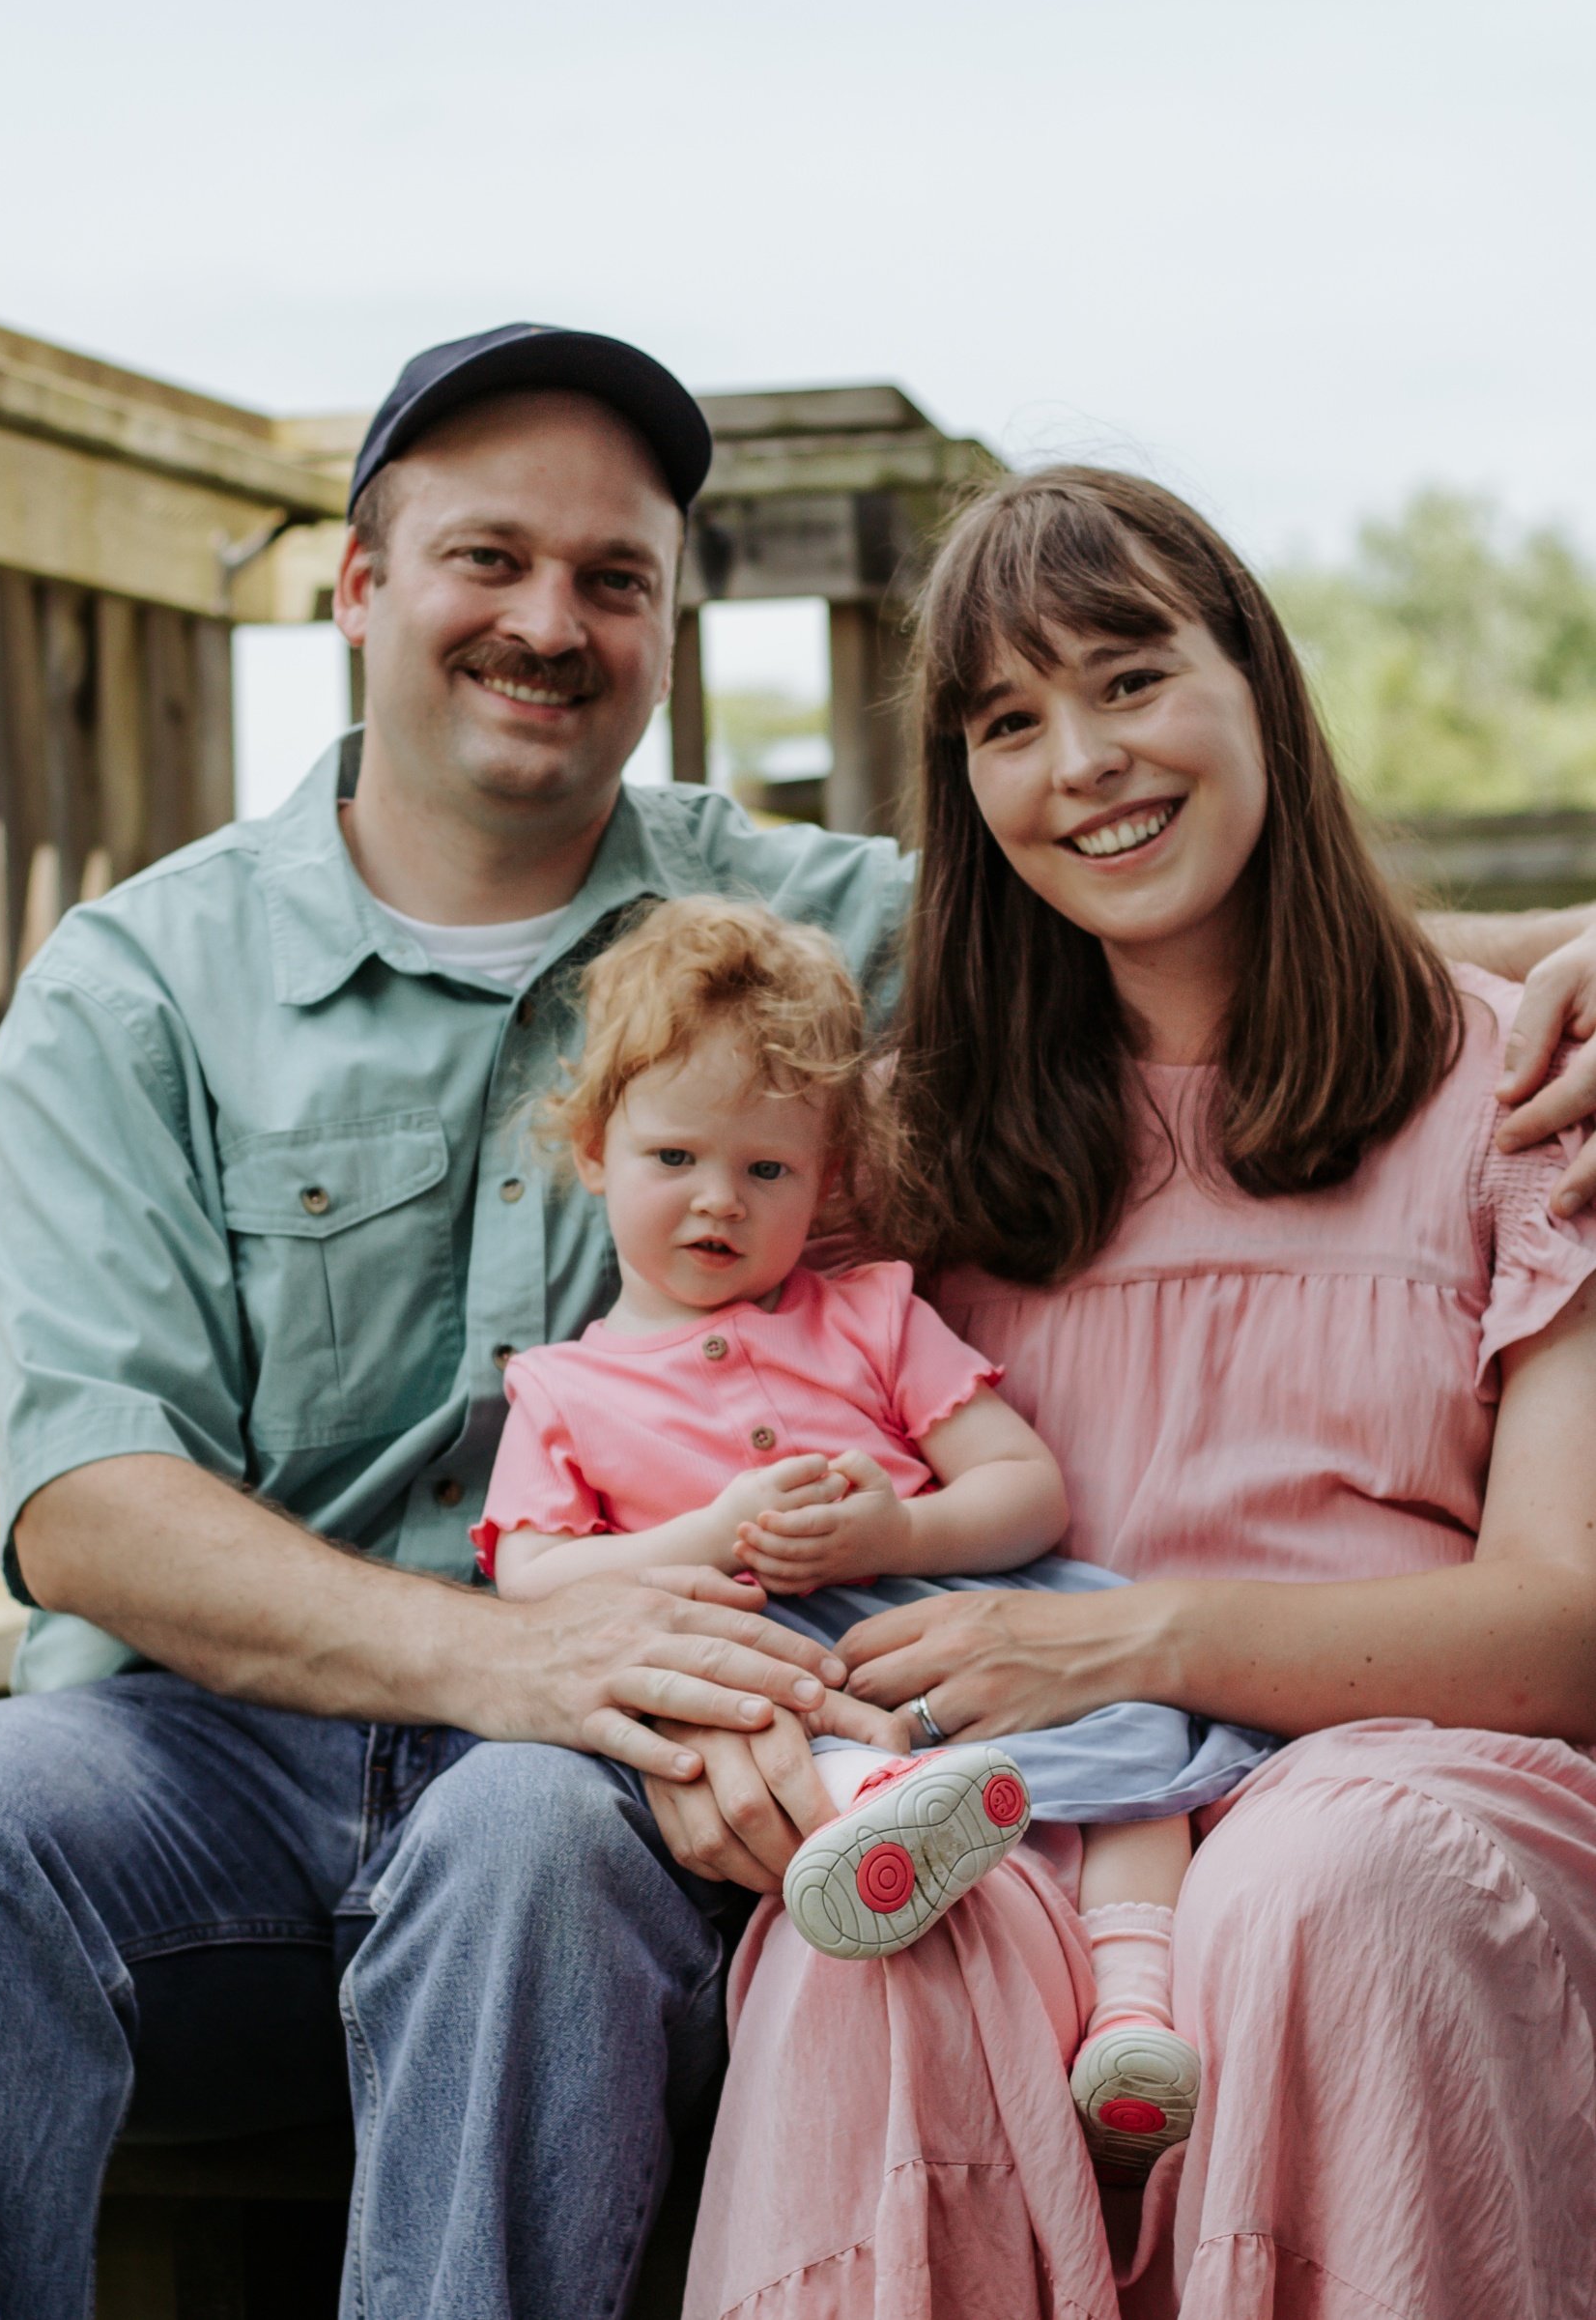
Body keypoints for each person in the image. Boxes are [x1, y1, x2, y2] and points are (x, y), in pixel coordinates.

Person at [0, 322, 915, 2320]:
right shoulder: (137, 982)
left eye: (615, 577)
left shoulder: (822, 932)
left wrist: (1559, 953)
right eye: (486, 557)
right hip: (200, 1764)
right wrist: (501, 1652)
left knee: (524, 1837)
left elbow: (1227, 941)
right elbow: (87, 1495)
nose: (549, 622)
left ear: (666, 625)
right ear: (359, 588)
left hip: (607, 1790)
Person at [677, 467, 1596, 2320]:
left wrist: (1129, 1644)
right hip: (1039, 1799)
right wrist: (725, 1739)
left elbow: (1562, 1632)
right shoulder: (905, 1154)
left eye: (1126, 678)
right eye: (1008, 723)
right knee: (879, 1933)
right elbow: (717, 1486)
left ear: (1255, 681)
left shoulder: (1519, 1095)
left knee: (1322, 1889)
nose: (1079, 760)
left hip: (1405, 1778)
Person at [474, 891, 1268, 2159]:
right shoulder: (565, 1389)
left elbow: (1025, 1492)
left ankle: (1135, 2014)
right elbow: (530, 1579)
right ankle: (888, 1840)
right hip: (784, 1682)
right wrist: (715, 1534)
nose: (715, 1203)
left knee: (1139, 1743)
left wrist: (890, 1536)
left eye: (766, 1169)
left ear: (828, 1177)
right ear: (589, 1151)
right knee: (802, 1756)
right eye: (671, 1159)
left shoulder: (869, 1316)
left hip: (944, 1627)